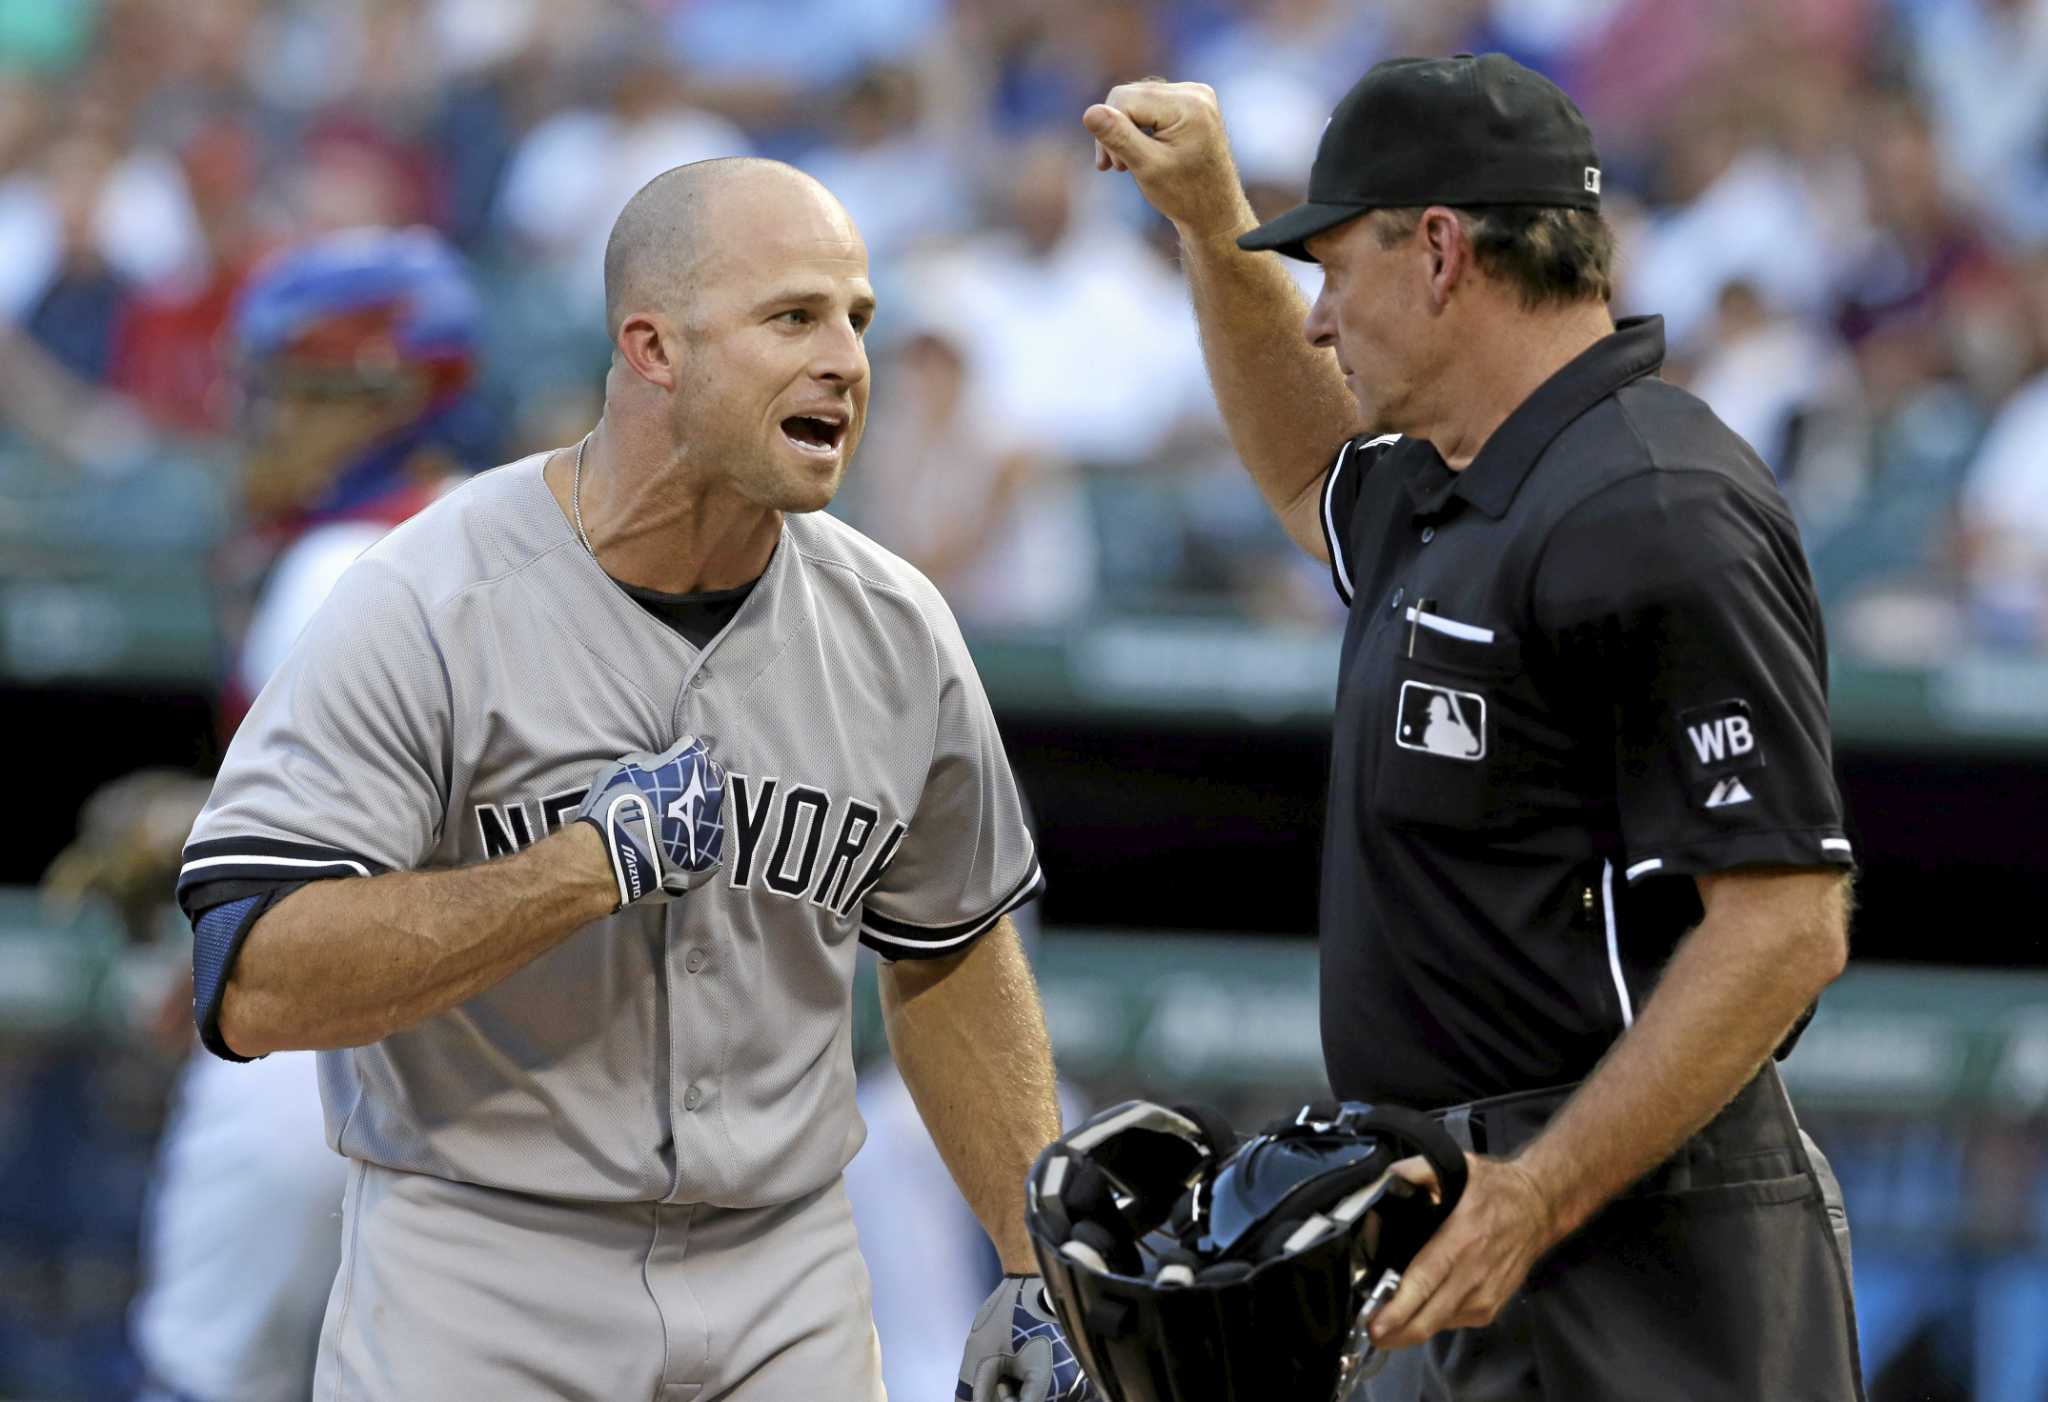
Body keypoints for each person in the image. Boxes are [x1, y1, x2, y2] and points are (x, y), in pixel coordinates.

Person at [173, 158, 1086, 1402]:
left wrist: (1036, 1259)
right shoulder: (419, 595)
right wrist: (574, 870)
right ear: (652, 347)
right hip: (484, 1269)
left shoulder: (896, 626)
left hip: (788, 1272)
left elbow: (952, 945)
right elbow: (254, 977)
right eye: (792, 317)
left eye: (855, 320)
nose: (844, 359)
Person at [1081, 56, 1863, 1399]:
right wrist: (1214, 224)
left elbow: (1786, 925)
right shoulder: (1458, 483)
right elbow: (1307, 463)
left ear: (1440, 250)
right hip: (1483, 1219)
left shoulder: (1652, 501)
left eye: (1335, 268)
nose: (1320, 320)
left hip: (1643, 1243)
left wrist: (1541, 1191)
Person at [41, 224, 484, 1402]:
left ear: (381, 394)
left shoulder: (341, 561)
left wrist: (164, 828)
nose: (257, 422)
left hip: (312, 1049)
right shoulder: (494, 536)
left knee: (198, 1379)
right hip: (489, 1079)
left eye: (290, 393)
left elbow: (328, 847)